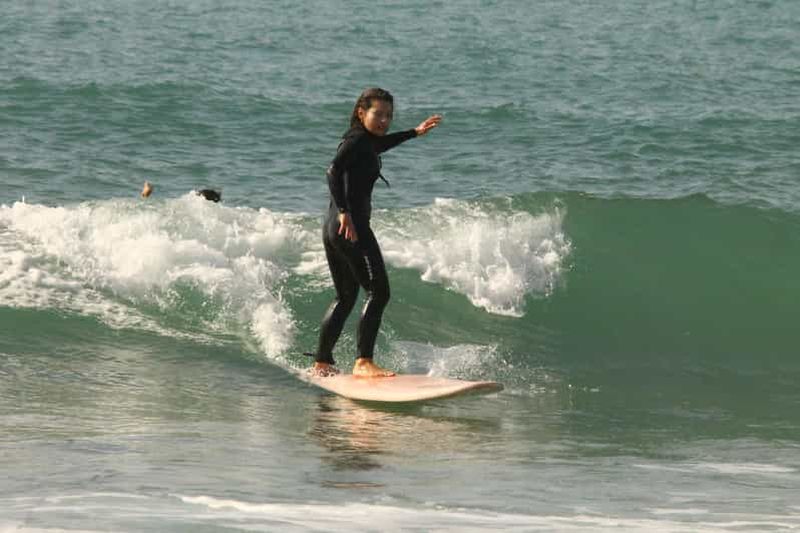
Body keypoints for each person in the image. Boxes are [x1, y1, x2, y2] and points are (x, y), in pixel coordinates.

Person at [309, 87, 441, 378]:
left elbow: (380, 145)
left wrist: (414, 132)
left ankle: (322, 361)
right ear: (361, 113)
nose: (384, 121)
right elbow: (332, 170)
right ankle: (363, 362)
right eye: (378, 114)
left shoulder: (364, 141)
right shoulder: (357, 140)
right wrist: (345, 212)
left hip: (333, 227)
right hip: (350, 226)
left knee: (346, 296)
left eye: (388, 116)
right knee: (378, 292)